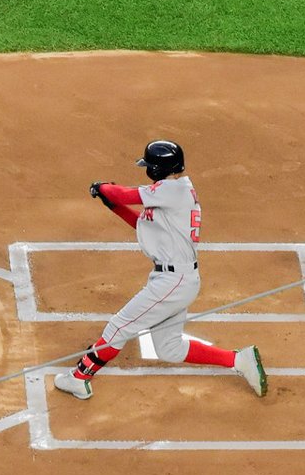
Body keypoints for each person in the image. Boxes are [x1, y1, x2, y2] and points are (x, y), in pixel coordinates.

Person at [53, 139, 267, 400]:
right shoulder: (173, 194)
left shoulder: (172, 190)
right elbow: (142, 223)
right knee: (169, 348)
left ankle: (79, 378)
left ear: (156, 169)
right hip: (177, 279)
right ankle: (239, 360)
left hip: (173, 281)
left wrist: (103, 187)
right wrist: (113, 205)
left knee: (118, 328)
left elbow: (124, 194)